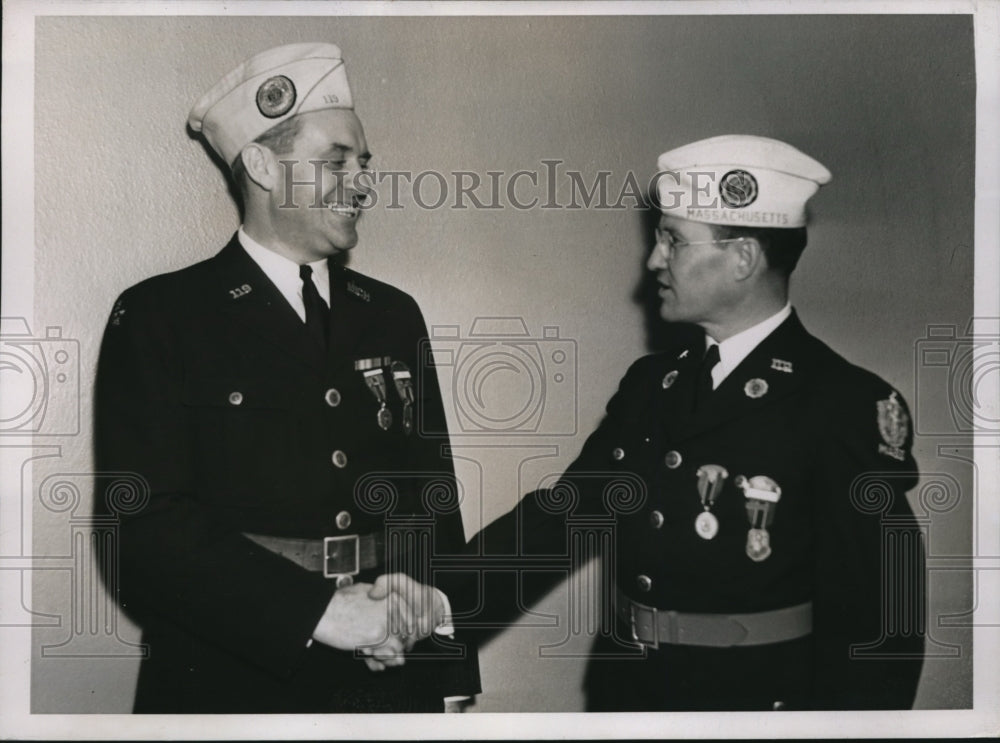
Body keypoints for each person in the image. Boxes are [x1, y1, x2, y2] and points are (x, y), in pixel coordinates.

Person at [413, 134, 926, 711]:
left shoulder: (842, 403)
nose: (654, 259)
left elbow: (883, 622)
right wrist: (436, 597)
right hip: (629, 695)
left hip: (755, 707)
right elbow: (570, 512)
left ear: (742, 258)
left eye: (672, 241)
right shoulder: (652, 385)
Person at [94, 42, 479, 713]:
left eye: (364, 164)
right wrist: (318, 612)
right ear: (264, 166)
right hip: (232, 678)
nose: (363, 183)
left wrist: (449, 673)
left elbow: (432, 504)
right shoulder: (162, 316)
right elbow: (144, 530)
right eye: (336, 162)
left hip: (391, 673)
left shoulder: (392, 314)